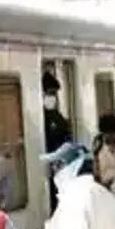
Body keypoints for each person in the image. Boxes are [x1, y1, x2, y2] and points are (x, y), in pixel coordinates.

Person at [43, 71, 73, 213]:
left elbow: (67, 138)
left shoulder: (56, 116)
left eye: (54, 94)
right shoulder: (44, 117)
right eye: (50, 93)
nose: (52, 98)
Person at [92, 114, 115, 190]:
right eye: (106, 133)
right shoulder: (98, 144)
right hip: (106, 188)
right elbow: (96, 170)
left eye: (112, 133)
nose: (109, 136)